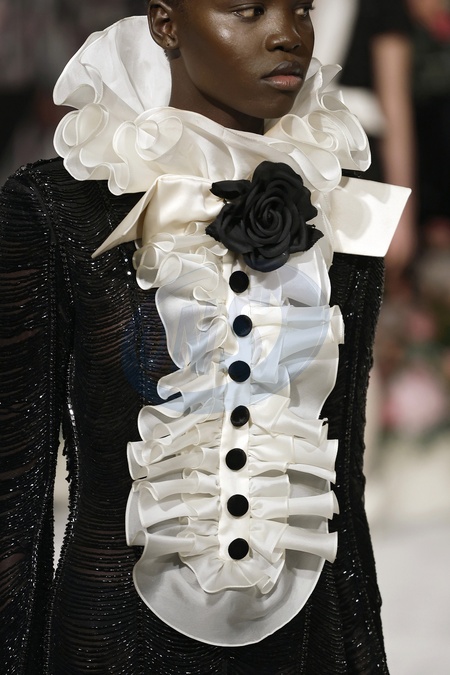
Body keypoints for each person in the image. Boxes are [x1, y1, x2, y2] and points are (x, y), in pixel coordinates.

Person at [0, 2, 410, 673]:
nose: (287, 35)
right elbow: (14, 496)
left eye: (302, 9)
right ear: (167, 23)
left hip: (306, 645)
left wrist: (363, 658)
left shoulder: (340, 209)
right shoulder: (60, 208)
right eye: (247, 9)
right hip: (107, 640)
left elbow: (343, 481)